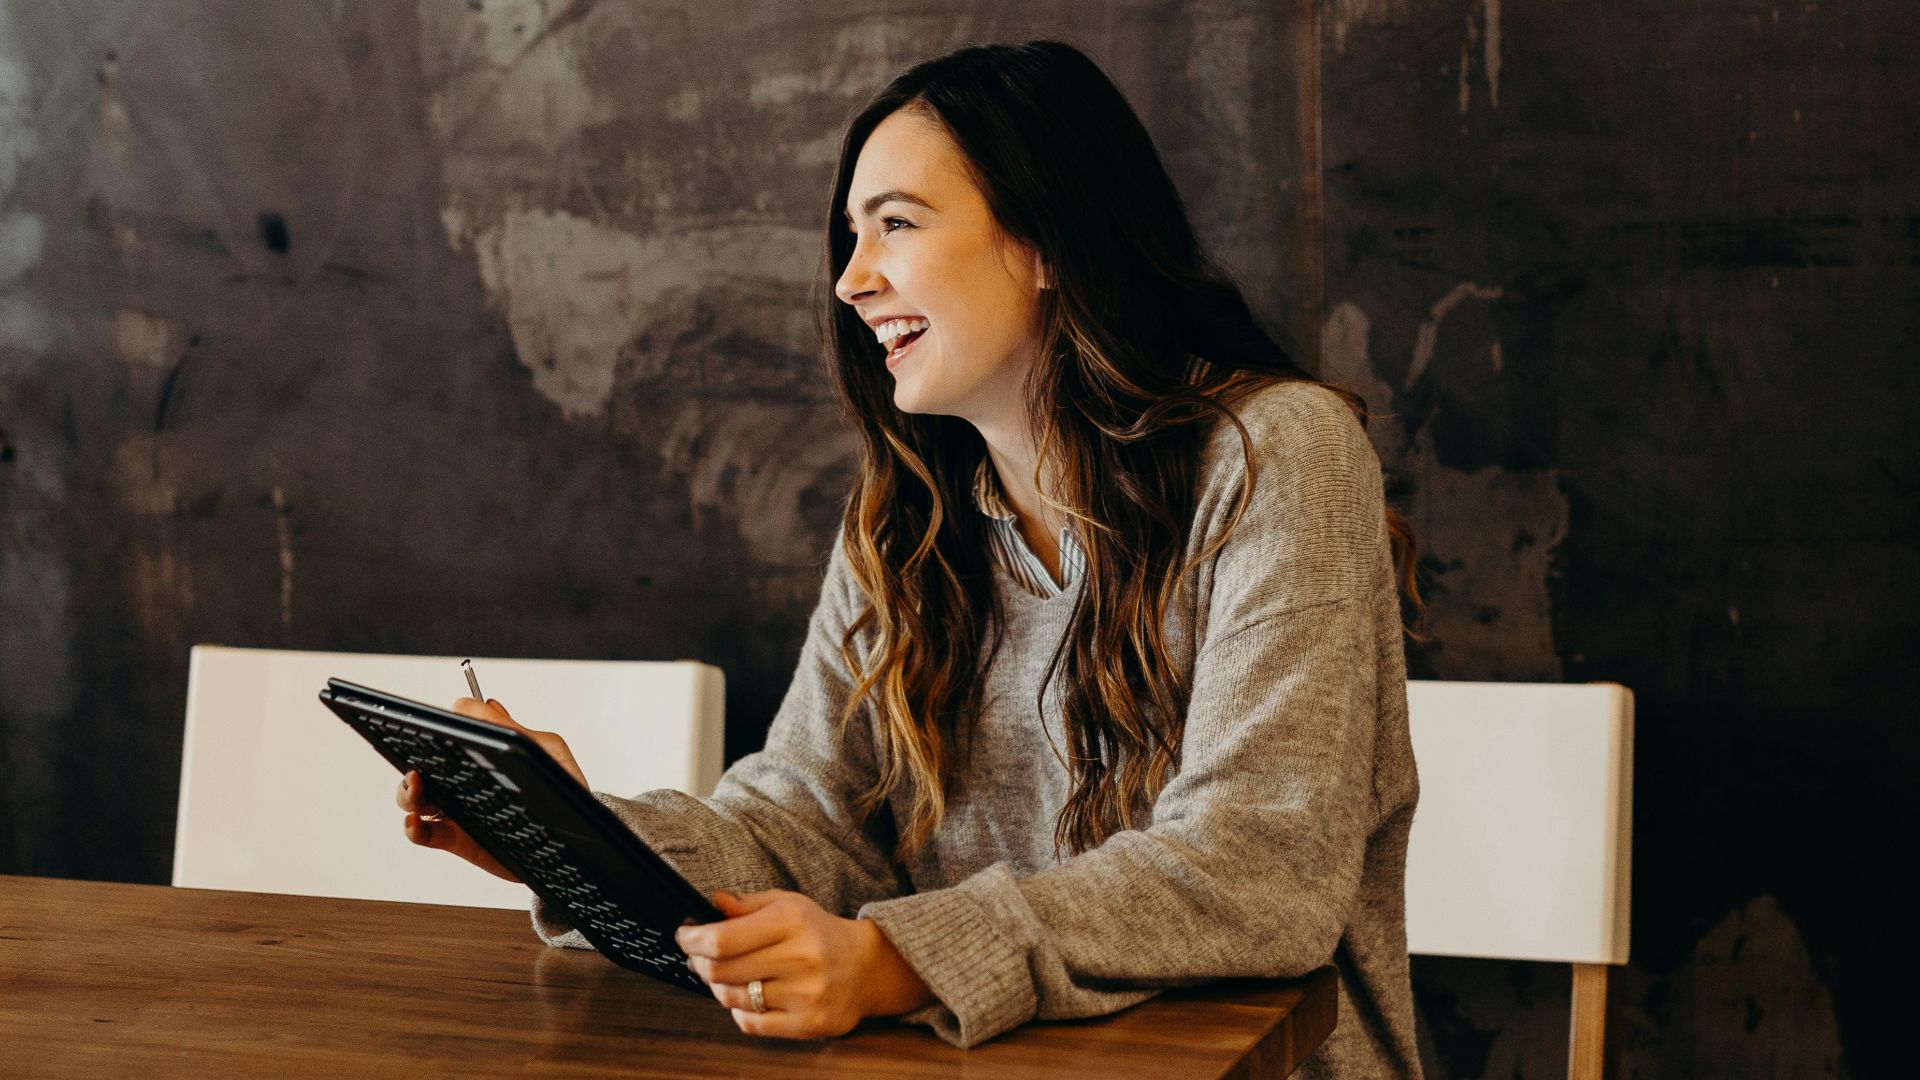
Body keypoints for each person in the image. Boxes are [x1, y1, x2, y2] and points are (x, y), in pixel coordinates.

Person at [396, 40, 1426, 1078]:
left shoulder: (1275, 455)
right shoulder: (907, 518)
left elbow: (1260, 870)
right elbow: (804, 825)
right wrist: (578, 844)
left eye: (895, 223)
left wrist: (896, 961)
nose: (850, 280)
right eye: (852, 235)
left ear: (1046, 240)